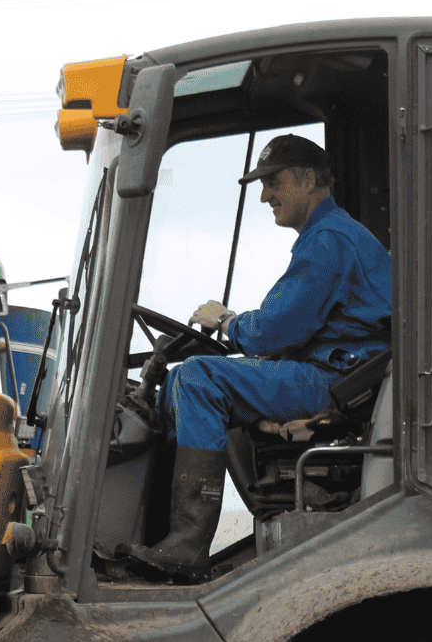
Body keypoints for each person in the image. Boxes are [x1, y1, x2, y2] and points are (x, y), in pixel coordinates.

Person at [119, 133, 392, 578]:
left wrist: (225, 319)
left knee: (197, 379)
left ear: (307, 180)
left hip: (333, 382)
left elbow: (270, 331)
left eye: (273, 182)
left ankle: (187, 544)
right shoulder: (334, 236)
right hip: (336, 372)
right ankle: (172, 539)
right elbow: (288, 330)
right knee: (188, 382)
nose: (264, 195)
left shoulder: (329, 240)